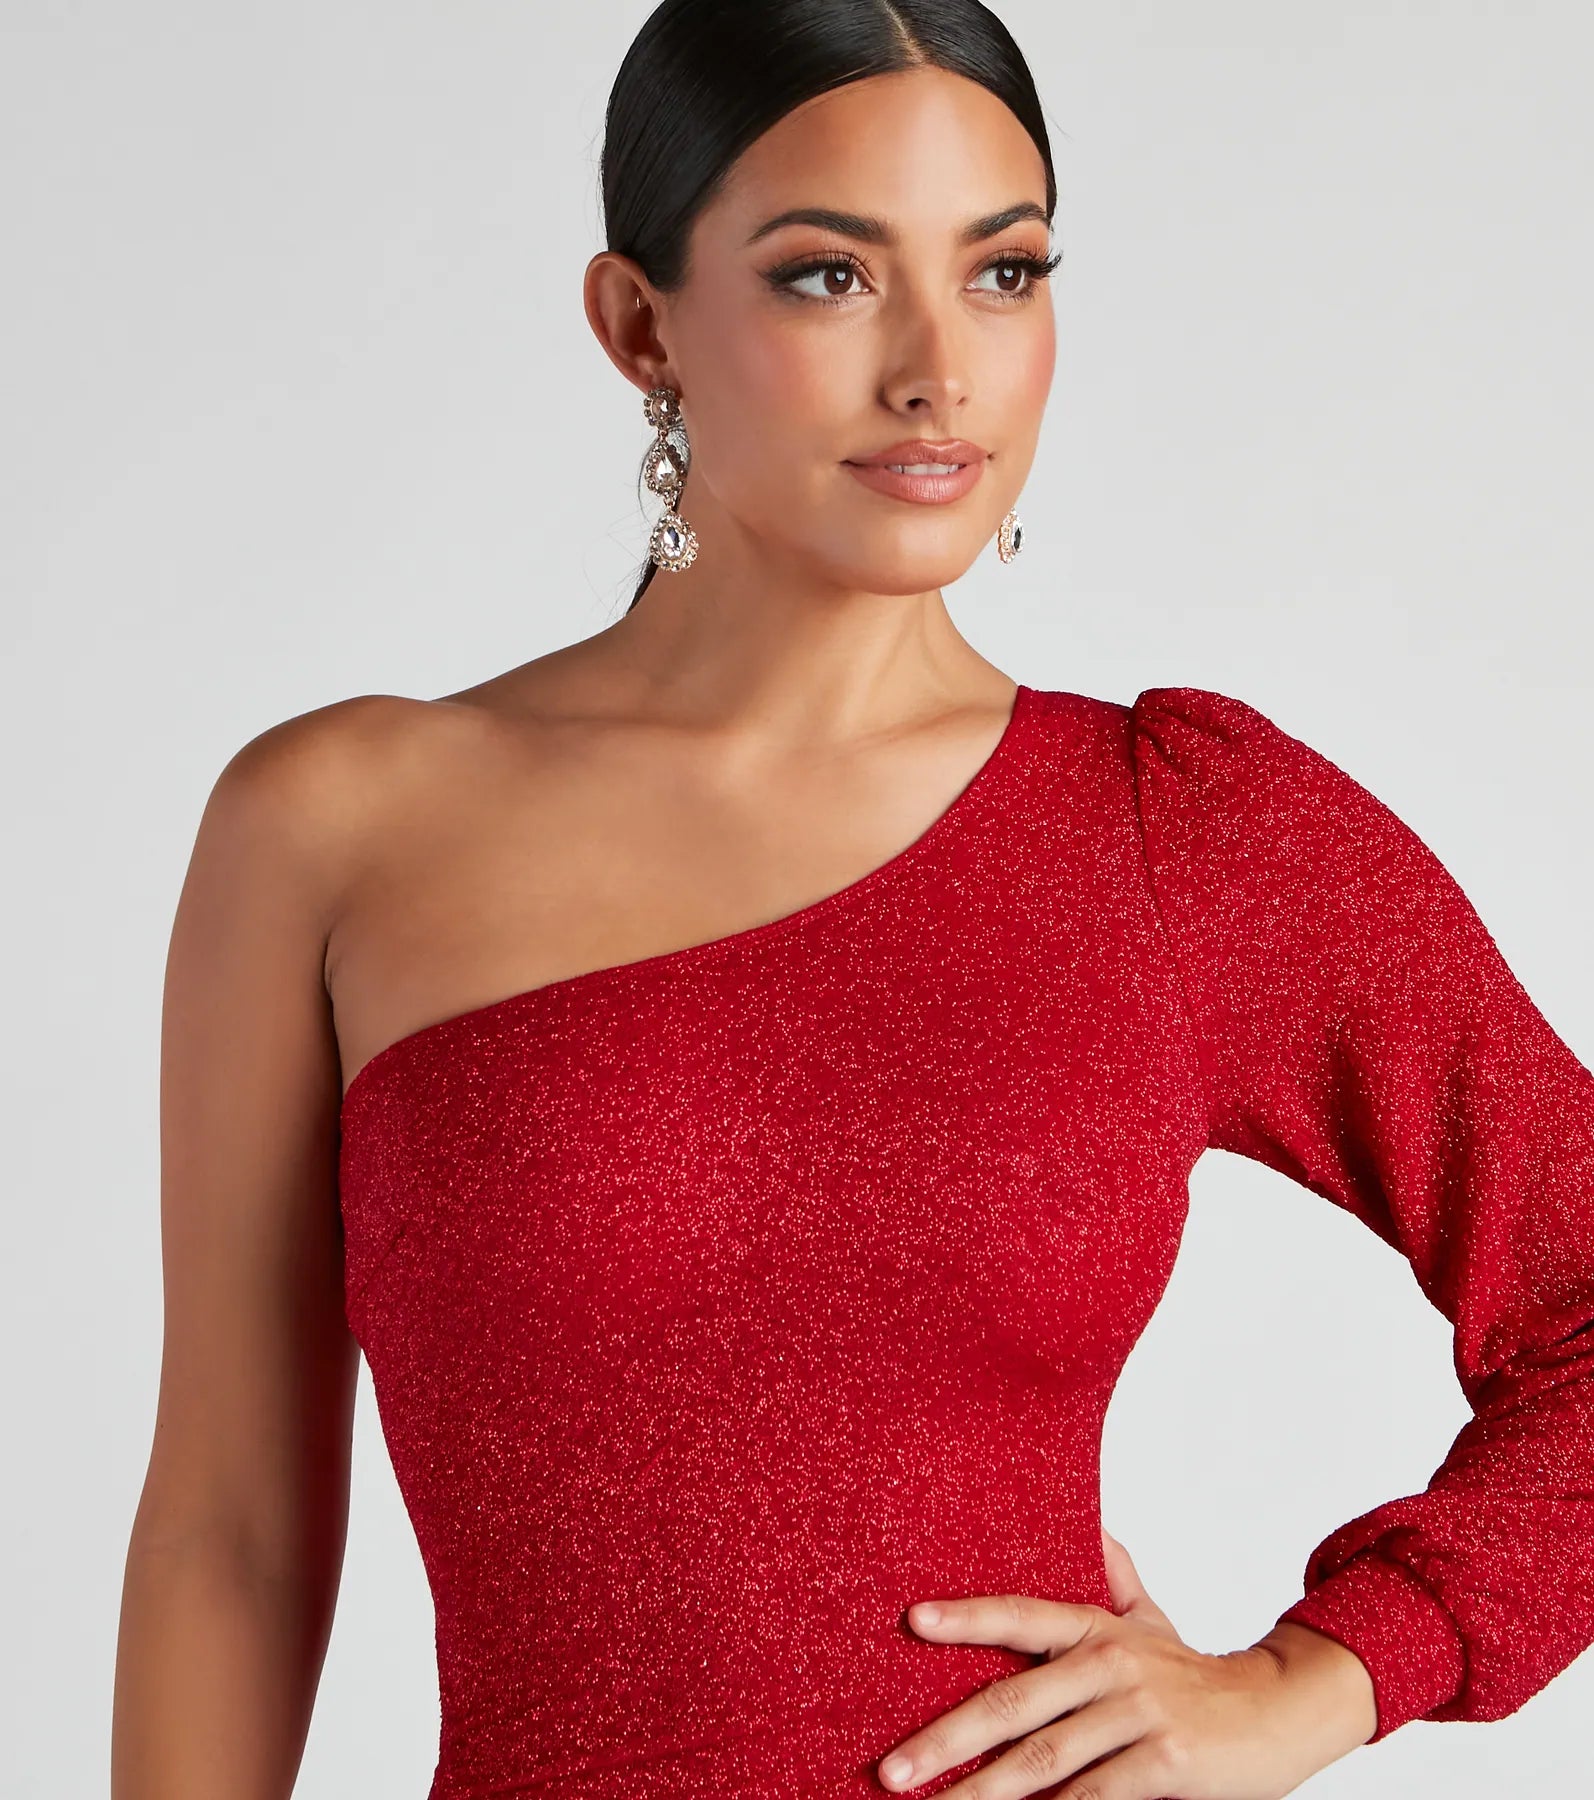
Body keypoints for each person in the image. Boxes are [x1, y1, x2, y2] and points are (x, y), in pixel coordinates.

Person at [112, 2, 1594, 1796]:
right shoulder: (339, 826)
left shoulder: (1174, 831)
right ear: (639, 325)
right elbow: (230, 1534)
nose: (936, 370)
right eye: (829, 277)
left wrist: (1321, 1677)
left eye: (1002, 273)